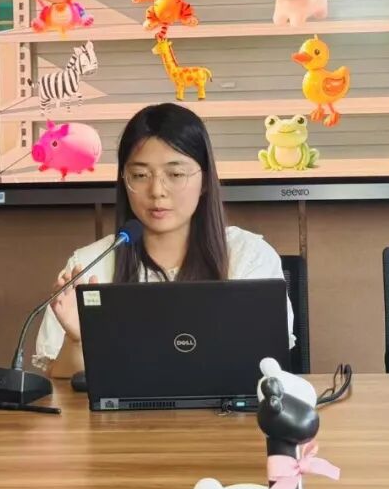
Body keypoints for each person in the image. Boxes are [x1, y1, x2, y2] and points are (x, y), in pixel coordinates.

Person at [35, 102, 295, 378]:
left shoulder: (249, 257)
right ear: (124, 180)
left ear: (205, 180)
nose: (157, 191)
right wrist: (77, 341)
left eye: (175, 174)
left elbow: (267, 365)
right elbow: (60, 387)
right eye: (140, 175)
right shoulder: (89, 266)